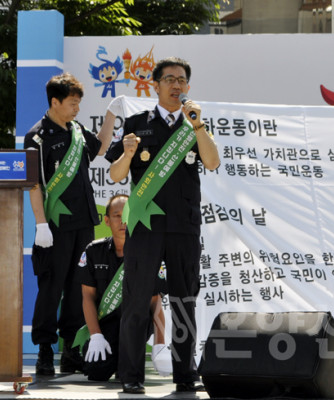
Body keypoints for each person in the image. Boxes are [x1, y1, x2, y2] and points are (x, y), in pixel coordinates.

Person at [105, 57, 220, 394]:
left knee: (185, 301)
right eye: (169, 79)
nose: (176, 85)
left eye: (181, 80)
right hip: (145, 227)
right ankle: (131, 375)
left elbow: (212, 162)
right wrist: (127, 154)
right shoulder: (136, 123)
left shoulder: (194, 125)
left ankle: (185, 375)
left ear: (188, 87)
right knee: (137, 300)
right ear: (155, 85)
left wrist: (198, 125)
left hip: (184, 225)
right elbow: (115, 174)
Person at [24, 72, 115, 375]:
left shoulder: (77, 130)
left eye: (78, 103)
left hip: (84, 223)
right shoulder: (37, 137)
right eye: (72, 103)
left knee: (79, 288)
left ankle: (71, 351)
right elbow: (34, 184)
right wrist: (40, 224)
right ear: (55, 102)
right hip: (55, 225)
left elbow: (99, 148)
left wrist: (111, 116)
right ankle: (44, 350)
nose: (77, 109)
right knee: (51, 287)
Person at [76, 194, 172, 381]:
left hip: (137, 322)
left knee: (128, 368)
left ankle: (126, 362)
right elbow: (87, 296)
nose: (123, 221)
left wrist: (159, 344)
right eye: (117, 216)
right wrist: (96, 335)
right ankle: (119, 359)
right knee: (95, 371)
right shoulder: (94, 251)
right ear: (107, 220)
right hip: (107, 324)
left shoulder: (148, 254)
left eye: (127, 215)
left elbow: (155, 303)